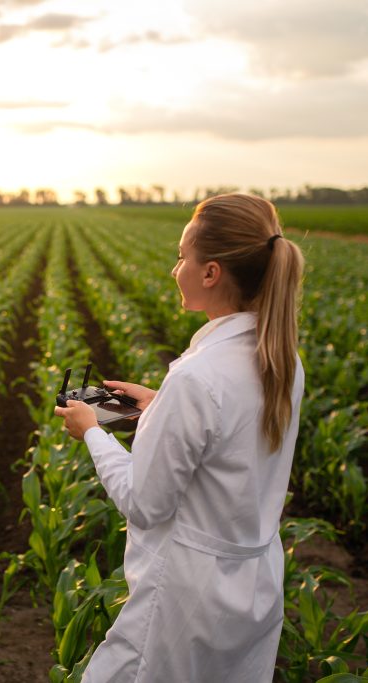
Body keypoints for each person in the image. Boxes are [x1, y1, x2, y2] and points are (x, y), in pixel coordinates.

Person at [54, 193, 305, 682]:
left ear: (210, 273)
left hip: (187, 596)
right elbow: (229, 437)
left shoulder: (197, 378)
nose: (175, 269)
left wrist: (91, 432)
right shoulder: (280, 358)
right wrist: (158, 405)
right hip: (254, 584)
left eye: (181, 257)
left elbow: (144, 503)